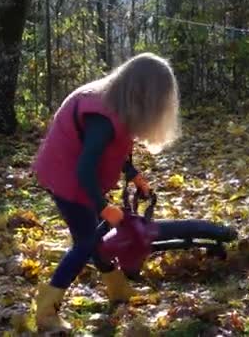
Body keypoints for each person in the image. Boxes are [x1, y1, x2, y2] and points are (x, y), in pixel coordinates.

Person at [31, 52, 181, 333]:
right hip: (68, 178)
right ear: (143, 94)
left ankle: (118, 290)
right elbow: (85, 170)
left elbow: (116, 147)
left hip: (79, 176)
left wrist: (132, 174)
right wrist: (103, 206)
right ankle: (47, 309)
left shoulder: (119, 107)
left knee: (93, 236)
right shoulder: (101, 116)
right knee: (87, 241)